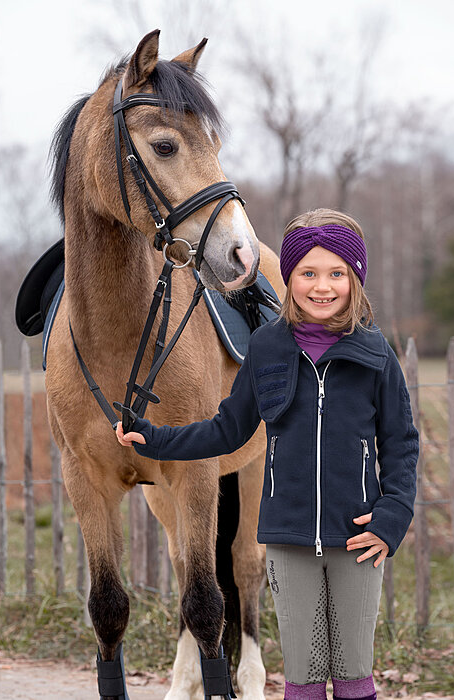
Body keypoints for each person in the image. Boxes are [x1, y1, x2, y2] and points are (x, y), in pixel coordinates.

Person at [116, 208, 419, 700]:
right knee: (302, 672)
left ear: (355, 279)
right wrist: (156, 438)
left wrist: (393, 516)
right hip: (287, 539)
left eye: (337, 273)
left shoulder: (375, 354)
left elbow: (401, 442)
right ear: (290, 278)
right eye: (308, 274)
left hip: (359, 537)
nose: (323, 287)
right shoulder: (267, 348)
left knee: (353, 672)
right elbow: (226, 430)